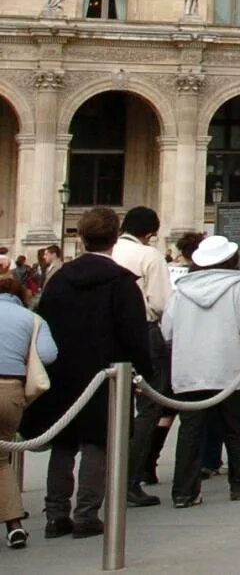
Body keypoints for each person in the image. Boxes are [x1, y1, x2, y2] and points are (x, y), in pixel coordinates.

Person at [23, 207, 152, 540]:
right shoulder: (122, 283)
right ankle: (86, 514)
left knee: (63, 443)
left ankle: (55, 514)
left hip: (63, 371)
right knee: (98, 443)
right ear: (114, 237)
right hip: (106, 371)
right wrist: (145, 373)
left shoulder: (59, 281)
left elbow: (43, 325)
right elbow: (135, 334)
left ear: (80, 237)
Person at [164, 233, 240, 507]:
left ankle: (184, 491)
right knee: (235, 428)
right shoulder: (237, 289)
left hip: (190, 371)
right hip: (228, 368)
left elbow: (167, 329)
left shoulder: (181, 292)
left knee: (190, 431)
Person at [112, 205, 173, 507]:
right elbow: (162, 303)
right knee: (149, 406)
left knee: (113, 406)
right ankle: (131, 478)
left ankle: (105, 474)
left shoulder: (110, 251)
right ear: (149, 234)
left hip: (109, 334)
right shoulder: (150, 257)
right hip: (145, 332)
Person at [0, 272, 58, 549]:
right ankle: (14, 525)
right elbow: (48, 354)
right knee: (1, 461)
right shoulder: (32, 319)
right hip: (10, 391)